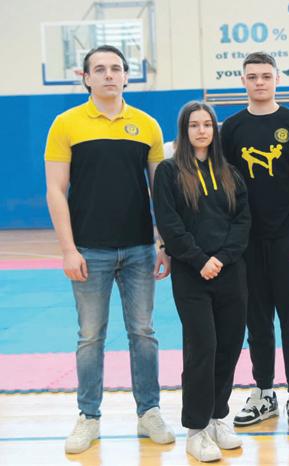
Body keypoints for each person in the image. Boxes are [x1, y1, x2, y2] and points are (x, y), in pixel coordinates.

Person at [44, 45, 174, 454]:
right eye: (99, 69)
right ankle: (89, 416)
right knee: (90, 337)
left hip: (139, 249)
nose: (108, 75)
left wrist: (164, 243)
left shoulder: (147, 126)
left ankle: (149, 412)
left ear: (126, 76)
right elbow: (55, 190)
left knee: (144, 333)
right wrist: (68, 249)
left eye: (116, 68)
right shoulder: (66, 124)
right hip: (89, 251)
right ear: (86, 78)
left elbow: (161, 192)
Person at [221, 52, 289, 433]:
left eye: (265, 75)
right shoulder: (232, 128)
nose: (259, 82)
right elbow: (224, 188)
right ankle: (264, 392)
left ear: (277, 78)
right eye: (252, 76)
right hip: (246, 243)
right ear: (243, 81)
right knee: (257, 322)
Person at [153, 101, 250, 462]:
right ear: (184, 130)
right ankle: (196, 428)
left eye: (207, 124)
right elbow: (169, 222)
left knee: (229, 346)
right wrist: (198, 260)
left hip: (230, 271)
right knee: (202, 348)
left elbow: (242, 221)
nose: (201, 130)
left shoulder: (230, 172)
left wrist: (222, 258)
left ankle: (217, 416)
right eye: (194, 125)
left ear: (214, 129)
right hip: (192, 274)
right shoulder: (169, 172)